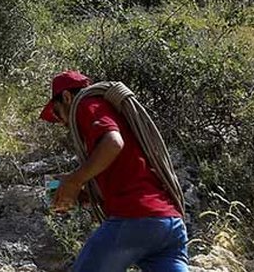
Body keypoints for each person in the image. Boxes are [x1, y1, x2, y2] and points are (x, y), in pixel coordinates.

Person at [40, 71, 189, 272]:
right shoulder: (114, 115)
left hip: (135, 216)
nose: (62, 122)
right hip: (169, 223)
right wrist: (81, 196)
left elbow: (113, 143)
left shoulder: (86, 104)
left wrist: (74, 180)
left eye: (57, 113)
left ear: (67, 97)